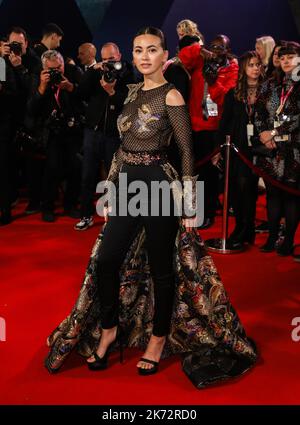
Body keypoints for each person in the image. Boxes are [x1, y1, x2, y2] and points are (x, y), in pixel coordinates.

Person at [45, 27, 257, 387]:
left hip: (159, 184)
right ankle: (109, 329)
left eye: (152, 50)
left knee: (161, 267)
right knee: (106, 259)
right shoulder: (128, 92)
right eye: (138, 49)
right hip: (126, 182)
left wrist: (190, 203)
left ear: (164, 56)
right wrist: (109, 191)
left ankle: (158, 338)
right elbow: (120, 146)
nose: (144, 56)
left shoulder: (171, 96)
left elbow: (187, 151)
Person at [178, 34, 238, 229]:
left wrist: (213, 83)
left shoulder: (232, 68)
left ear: (228, 50)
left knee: (209, 175)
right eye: (213, 46)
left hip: (215, 129)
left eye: (221, 47)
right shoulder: (201, 59)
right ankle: (193, 209)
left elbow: (227, 100)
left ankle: (207, 213)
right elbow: (183, 56)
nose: (216, 51)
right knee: (193, 171)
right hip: (194, 125)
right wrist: (199, 49)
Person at [74, 42, 135, 231]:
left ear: (118, 56)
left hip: (114, 133)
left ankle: (113, 216)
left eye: (112, 59)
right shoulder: (95, 72)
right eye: (105, 60)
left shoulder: (127, 73)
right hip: (93, 131)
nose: (108, 63)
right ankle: (86, 214)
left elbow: (128, 102)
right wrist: (93, 71)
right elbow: (80, 94)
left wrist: (112, 91)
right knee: (87, 175)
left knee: (113, 175)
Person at [255, 41, 300, 256]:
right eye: (282, 58)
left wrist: (273, 132)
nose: (285, 62)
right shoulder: (272, 84)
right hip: (272, 149)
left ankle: (288, 240)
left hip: (294, 149)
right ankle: (272, 236)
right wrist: (264, 134)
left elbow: (297, 117)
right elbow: (259, 112)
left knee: (291, 197)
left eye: (290, 57)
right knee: (272, 195)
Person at [218, 51, 264, 247]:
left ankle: (247, 229)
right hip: (237, 147)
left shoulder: (267, 90)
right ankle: (241, 227)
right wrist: (219, 149)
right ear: (244, 68)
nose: (255, 68)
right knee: (237, 189)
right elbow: (224, 122)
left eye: (257, 65)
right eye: (251, 65)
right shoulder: (234, 92)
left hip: (260, 146)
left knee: (250, 189)